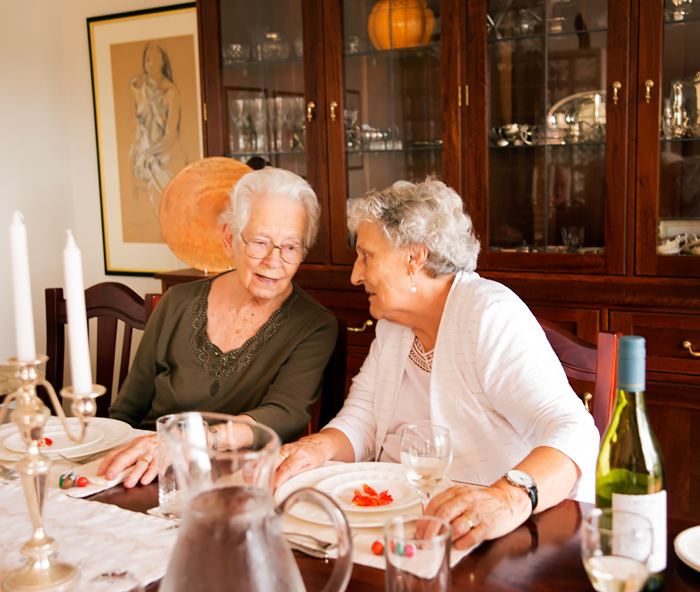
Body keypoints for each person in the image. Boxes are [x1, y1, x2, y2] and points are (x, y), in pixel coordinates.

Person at [274, 178, 599, 550]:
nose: (355, 274)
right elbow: (362, 421)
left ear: (414, 257)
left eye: (367, 255)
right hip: (399, 517)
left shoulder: (488, 315)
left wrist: (508, 497)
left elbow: (575, 431)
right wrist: (316, 448)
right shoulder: (395, 324)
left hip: (480, 533)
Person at [99, 167, 338, 486]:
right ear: (230, 239)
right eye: (260, 242)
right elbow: (126, 413)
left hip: (234, 484)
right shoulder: (176, 303)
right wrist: (115, 470)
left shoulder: (314, 325)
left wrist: (190, 441)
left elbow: (283, 414)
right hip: (147, 474)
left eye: (290, 247)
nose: (273, 260)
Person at [130, 43, 188, 222]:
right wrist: (141, 152)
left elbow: (169, 136)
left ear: (163, 62)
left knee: (155, 183)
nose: (151, 64)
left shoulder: (171, 91)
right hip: (147, 151)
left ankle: (178, 217)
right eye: (147, 60)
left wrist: (147, 155)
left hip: (167, 152)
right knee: (145, 167)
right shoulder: (140, 89)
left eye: (155, 59)